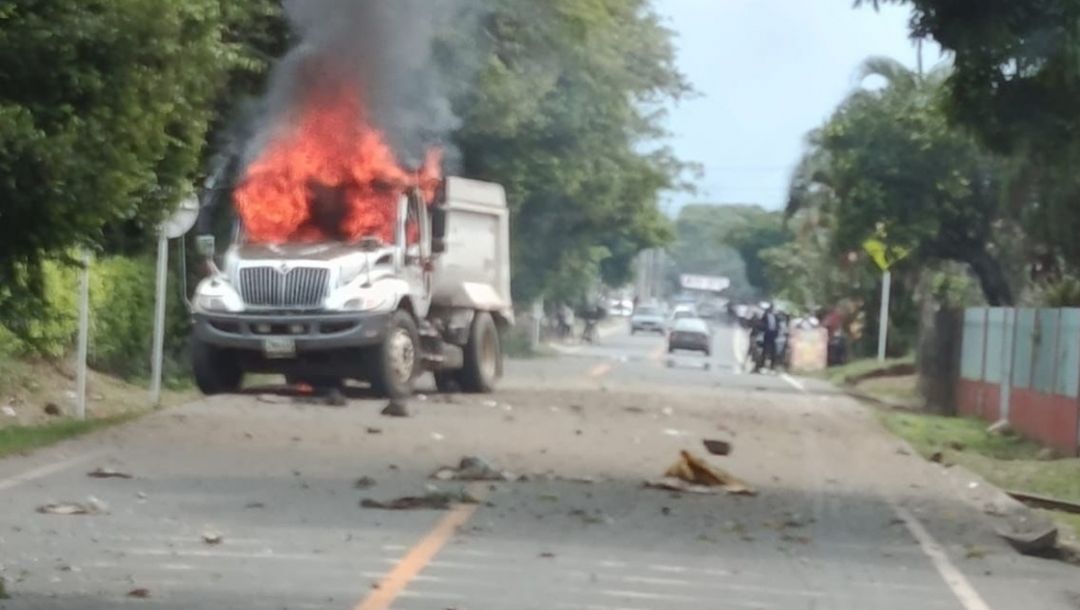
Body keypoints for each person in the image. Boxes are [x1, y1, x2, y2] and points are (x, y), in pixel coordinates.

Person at [754, 302, 780, 372]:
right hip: (766, 334)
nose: (772, 309)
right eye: (771, 308)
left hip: (773, 335)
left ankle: (772, 367)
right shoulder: (765, 316)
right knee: (764, 351)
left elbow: (777, 325)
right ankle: (761, 365)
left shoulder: (775, 316)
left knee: (773, 351)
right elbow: (761, 324)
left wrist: (776, 332)